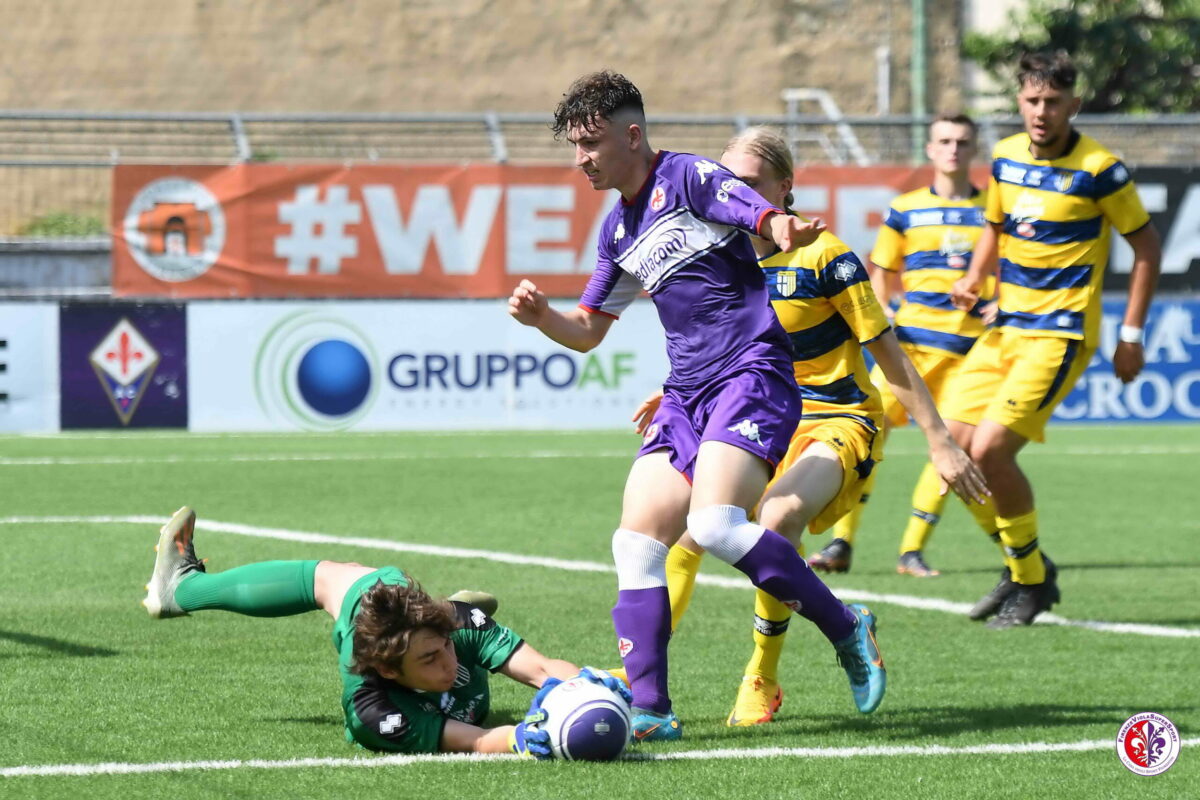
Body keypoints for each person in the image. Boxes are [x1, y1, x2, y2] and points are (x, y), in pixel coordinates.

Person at [509, 71, 981, 742]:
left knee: (720, 524)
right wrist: (542, 319)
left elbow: (748, 208)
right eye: (575, 146)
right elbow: (587, 331)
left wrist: (778, 221)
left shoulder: (691, 178)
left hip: (750, 373)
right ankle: (651, 710)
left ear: (631, 135)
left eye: (590, 143)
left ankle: (848, 628)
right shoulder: (617, 230)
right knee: (635, 545)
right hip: (685, 395)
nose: (580, 158)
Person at [625, 127, 988, 727]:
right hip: (753, 414)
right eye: (724, 183)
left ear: (784, 188)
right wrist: (673, 389)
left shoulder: (825, 258)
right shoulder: (712, 254)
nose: (730, 195)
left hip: (835, 415)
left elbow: (888, 352)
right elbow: (715, 345)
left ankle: (761, 674)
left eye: (748, 184)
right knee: (685, 533)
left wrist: (939, 439)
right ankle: (636, 685)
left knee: (776, 518)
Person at [947, 52, 1161, 628]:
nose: (1042, 112)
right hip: (1005, 327)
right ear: (1019, 102)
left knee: (990, 450)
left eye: (1053, 102)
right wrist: (975, 274)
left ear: (1074, 104)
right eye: (1033, 100)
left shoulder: (1101, 169)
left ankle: (1031, 582)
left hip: (1060, 334)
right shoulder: (1006, 157)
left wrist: (1131, 334)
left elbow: (1147, 247)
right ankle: (1025, 568)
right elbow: (995, 225)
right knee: (953, 452)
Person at [142, 506, 628, 757]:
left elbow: (543, 669)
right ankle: (182, 592)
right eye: (430, 661)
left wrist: (578, 687)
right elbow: (477, 741)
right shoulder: (371, 710)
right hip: (418, 688)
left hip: (441, 621)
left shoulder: (454, 629)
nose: (446, 663)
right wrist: (522, 739)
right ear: (386, 669)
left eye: (442, 651)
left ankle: (180, 588)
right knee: (338, 579)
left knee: (356, 579)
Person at [809, 113, 1000, 579]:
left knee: (952, 448)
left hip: (968, 354)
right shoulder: (906, 207)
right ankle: (840, 544)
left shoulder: (993, 212)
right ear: (930, 150)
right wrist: (884, 308)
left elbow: (1012, 269)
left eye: (962, 141)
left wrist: (1004, 304)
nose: (953, 148)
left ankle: (911, 550)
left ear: (973, 149)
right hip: (909, 349)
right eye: (944, 140)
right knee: (867, 436)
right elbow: (880, 269)